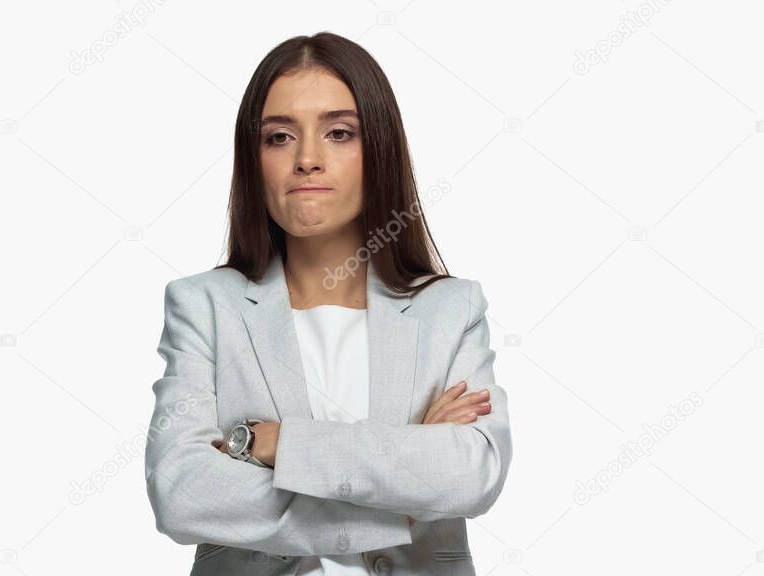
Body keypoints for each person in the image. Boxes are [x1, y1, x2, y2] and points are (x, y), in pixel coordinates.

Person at [145, 31, 513, 576]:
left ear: (379, 150)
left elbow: (472, 474)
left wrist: (279, 445)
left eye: (339, 133)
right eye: (279, 137)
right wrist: (404, 487)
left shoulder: (450, 310)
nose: (308, 160)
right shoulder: (204, 306)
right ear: (255, 160)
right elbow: (182, 493)